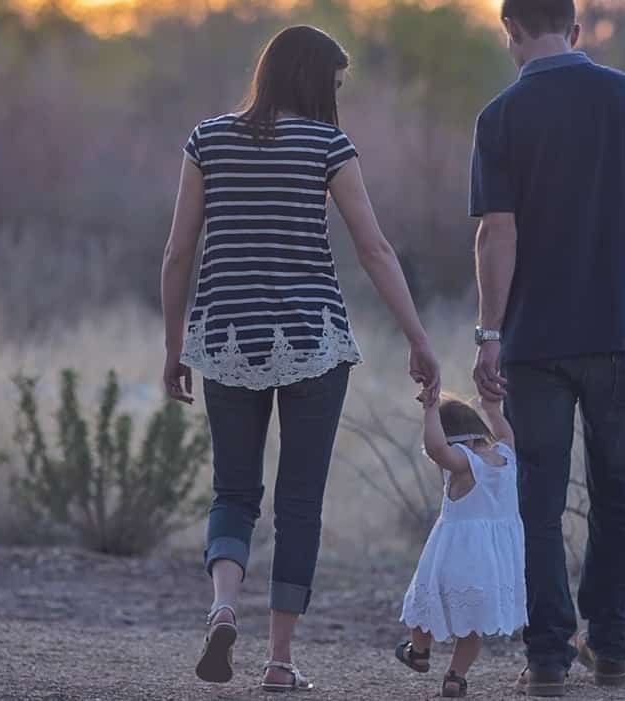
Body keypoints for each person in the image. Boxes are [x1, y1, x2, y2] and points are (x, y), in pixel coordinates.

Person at [158, 24, 441, 693]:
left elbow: (176, 253)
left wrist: (175, 348)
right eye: (335, 85)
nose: (337, 98)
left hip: (226, 338)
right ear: (315, 80)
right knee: (300, 503)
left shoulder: (208, 139)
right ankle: (279, 660)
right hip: (314, 339)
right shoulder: (327, 145)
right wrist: (419, 337)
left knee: (233, 491)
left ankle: (224, 606)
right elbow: (374, 249)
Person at [466, 0, 625, 696]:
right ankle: (611, 646)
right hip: (621, 336)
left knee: (537, 500)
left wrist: (488, 332)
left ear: (510, 30)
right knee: (620, 492)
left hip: (534, 343)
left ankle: (547, 659)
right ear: (575, 30)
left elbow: (496, 234)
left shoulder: (501, 116)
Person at [393, 392, 525, 699]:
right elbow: (505, 432)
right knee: (472, 625)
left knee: (425, 602)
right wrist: (492, 407)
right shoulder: (506, 454)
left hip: (456, 554)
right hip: (494, 562)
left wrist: (429, 411)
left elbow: (438, 449)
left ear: (454, 439)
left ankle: (420, 652)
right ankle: (455, 677)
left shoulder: (464, 463)